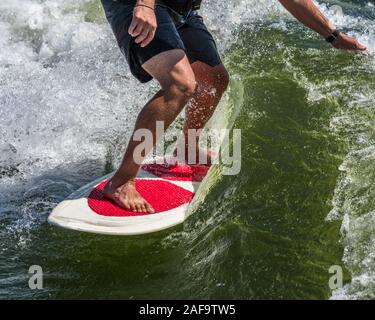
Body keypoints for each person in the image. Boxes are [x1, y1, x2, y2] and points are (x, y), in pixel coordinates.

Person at [100, 0, 367, 214]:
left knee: (214, 78)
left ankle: (187, 149)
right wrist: (145, 4)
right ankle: (122, 181)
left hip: (182, 8)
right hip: (134, 4)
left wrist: (333, 37)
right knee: (181, 85)